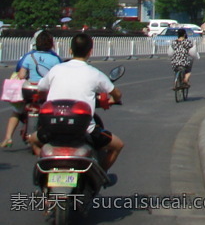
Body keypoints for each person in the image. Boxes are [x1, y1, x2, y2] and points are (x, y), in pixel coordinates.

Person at [29, 33, 123, 172]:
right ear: (90, 52)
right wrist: (113, 99)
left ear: (70, 50)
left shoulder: (56, 69)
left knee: (33, 140)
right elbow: (117, 93)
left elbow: (41, 88)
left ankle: (46, 168)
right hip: (85, 130)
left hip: (53, 129)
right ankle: (102, 175)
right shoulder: (94, 73)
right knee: (117, 145)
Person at [3, 31, 62, 148]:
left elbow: (21, 75)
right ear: (51, 44)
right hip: (45, 92)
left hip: (29, 91)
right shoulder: (55, 59)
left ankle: (8, 137)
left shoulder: (29, 57)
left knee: (17, 110)